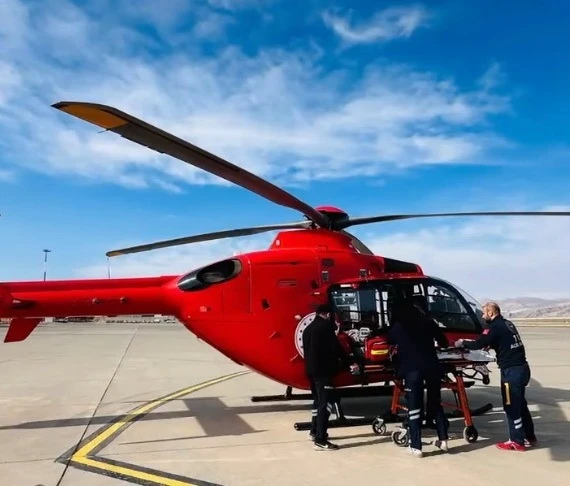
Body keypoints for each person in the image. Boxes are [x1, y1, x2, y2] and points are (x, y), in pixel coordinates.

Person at [455, 302, 537, 451]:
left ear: (491, 313)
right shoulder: (507, 324)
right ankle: (529, 436)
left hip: (511, 372)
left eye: (484, 313)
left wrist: (462, 343)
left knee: (511, 406)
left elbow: (479, 343)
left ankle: (517, 441)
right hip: (522, 368)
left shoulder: (494, 327)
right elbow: (502, 341)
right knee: (521, 404)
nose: (482, 316)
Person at [387, 299, 450, 457]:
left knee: (414, 407)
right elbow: (444, 342)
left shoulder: (399, 326)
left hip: (412, 370)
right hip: (432, 368)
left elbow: (389, 340)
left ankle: (416, 446)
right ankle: (443, 441)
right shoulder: (429, 322)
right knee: (435, 402)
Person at [303, 303, 354, 451]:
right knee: (326, 404)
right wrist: (349, 362)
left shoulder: (308, 329)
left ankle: (314, 431)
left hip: (311, 371)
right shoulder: (325, 327)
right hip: (323, 372)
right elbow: (336, 348)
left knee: (317, 402)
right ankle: (320, 439)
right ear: (327, 314)